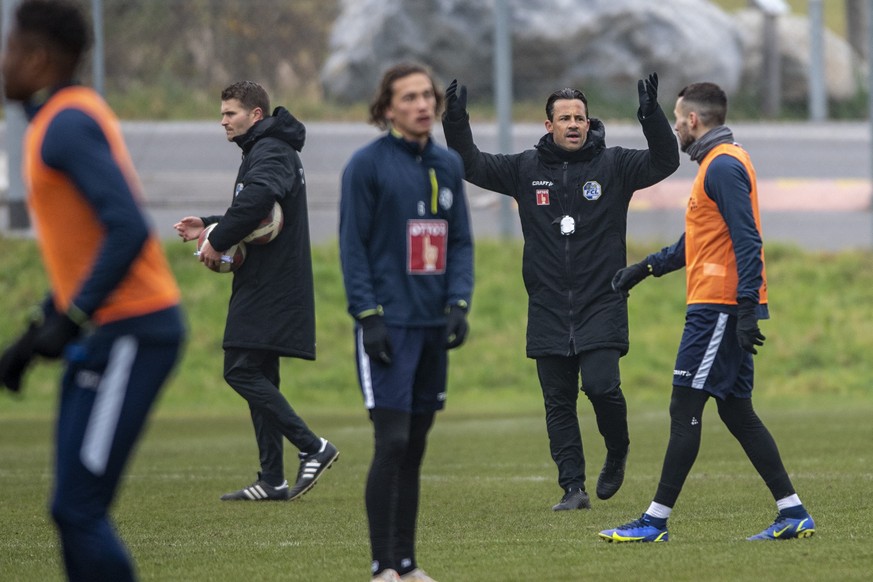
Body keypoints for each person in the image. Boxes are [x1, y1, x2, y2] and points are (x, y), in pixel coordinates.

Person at [0, 1, 185, 579]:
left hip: (137, 330)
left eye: (10, 48)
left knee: (79, 509)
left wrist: (73, 317)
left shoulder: (66, 123)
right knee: (69, 509)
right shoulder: (55, 119)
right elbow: (86, 250)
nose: (3, 61)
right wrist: (34, 337)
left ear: (37, 57)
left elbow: (127, 226)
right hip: (109, 331)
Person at [442, 75, 679, 510]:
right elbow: (469, 162)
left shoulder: (616, 165)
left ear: (589, 123)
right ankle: (573, 488)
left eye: (580, 118)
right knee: (558, 401)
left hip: (602, 300)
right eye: (565, 118)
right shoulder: (524, 169)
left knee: (602, 386)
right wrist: (455, 119)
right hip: (548, 304)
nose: (574, 124)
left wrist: (650, 115)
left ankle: (618, 448)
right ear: (548, 124)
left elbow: (666, 160)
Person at [599, 82, 815, 543]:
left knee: (684, 405)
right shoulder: (719, 165)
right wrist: (645, 267)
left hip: (717, 307)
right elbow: (698, 242)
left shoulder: (722, 166)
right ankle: (793, 512)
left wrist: (744, 308)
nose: (676, 127)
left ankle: (654, 522)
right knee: (736, 411)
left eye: (677, 119)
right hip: (721, 305)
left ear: (693, 121)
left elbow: (748, 237)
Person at [340, 63, 474, 582]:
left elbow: (459, 239)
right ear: (388, 108)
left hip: (431, 327)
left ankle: (407, 564)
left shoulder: (447, 164)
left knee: (415, 447)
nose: (422, 104)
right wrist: (368, 317)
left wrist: (459, 304)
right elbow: (352, 249)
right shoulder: (366, 166)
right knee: (391, 441)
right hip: (388, 324)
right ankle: (382, 568)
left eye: (427, 95)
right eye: (410, 97)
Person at [173, 81, 338, 501]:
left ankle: (313, 446)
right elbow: (259, 212)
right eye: (222, 113)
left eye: (230, 113)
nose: (222, 121)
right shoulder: (267, 149)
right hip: (268, 282)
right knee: (260, 372)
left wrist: (216, 240)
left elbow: (259, 199)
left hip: (271, 286)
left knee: (240, 369)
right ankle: (272, 479)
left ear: (256, 115)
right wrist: (210, 221)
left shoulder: (270, 150)